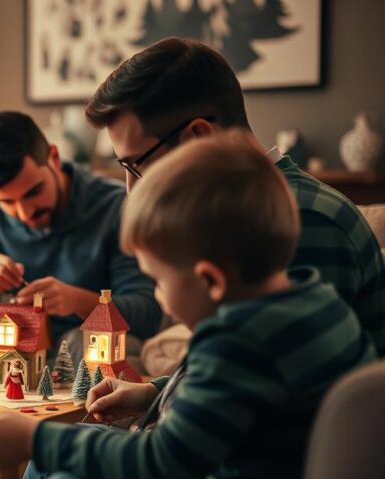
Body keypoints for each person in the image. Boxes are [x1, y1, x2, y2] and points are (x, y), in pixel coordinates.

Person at [0, 133, 376, 479]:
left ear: (209, 279)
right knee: (54, 465)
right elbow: (236, 403)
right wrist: (150, 392)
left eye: (157, 280)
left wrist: (35, 438)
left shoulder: (238, 339)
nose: (158, 296)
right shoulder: (315, 301)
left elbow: (160, 467)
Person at [85, 37, 385, 356]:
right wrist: (153, 393)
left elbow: (284, 386)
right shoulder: (248, 214)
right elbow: (247, 360)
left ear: (199, 137)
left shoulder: (302, 220)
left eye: (138, 164)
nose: (132, 190)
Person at [0, 111, 162, 363]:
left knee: (85, 344)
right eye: (7, 202)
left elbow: (148, 313)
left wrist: (77, 300)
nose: (25, 212)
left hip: (81, 339)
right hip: (17, 339)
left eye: (34, 192)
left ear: (54, 157)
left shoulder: (115, 207)